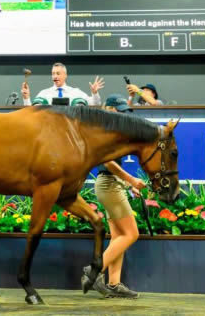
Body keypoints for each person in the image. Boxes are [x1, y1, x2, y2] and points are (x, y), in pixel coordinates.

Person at [82, 93, 145, 299]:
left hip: (110, 184)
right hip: (109, 184)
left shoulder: (111, 130)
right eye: (119, 110)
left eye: (124, 111)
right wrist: (132, 181)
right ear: (108, 109)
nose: (122, 115)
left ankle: (114, 283)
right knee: (131, 234)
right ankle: (95, 271)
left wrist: (128, 184)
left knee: (119, 236)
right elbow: (108, 163)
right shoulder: (107, 131)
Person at [21, 63, 104, 106]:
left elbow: (95, 104)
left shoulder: (76, 92)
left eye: (58, 73)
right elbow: (31, 113)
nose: (55, 76)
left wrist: (94, 93)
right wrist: (26, 98)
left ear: (65, 75)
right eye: (53, 74)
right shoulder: (44, 94)